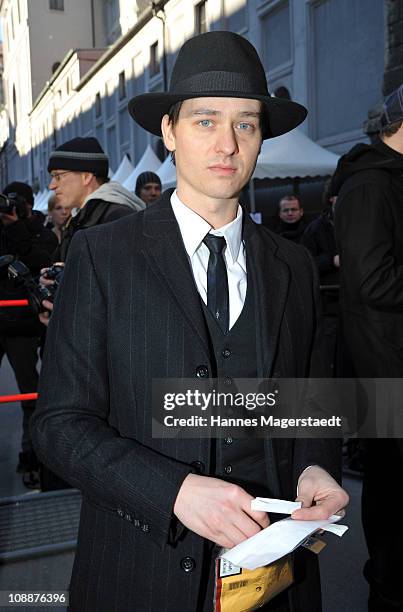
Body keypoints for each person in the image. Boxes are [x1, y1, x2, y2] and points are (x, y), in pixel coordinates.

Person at [32, 31, 348, 612]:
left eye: (246, 124)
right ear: (170, 132)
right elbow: (59, 425)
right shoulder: (103, 256)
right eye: (205, 121)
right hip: (141, 572)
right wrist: (173, 492)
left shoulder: (294, 266)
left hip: (274, 578)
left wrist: (316, 466)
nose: (227, 144)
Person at [333, 84, 403, 611]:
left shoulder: (386, 180)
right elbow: (372, 280)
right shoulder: (370, 185)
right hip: (385, 366)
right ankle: (386, 585)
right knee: (390, 484)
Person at [39, 137, 146, 325]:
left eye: (58, 176)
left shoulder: (118, 217)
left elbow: (129, 294)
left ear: (86, 177)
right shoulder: (80, 218)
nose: (52, 186)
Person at [0, 181, 57, 487]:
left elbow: (41, 261)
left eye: (17, 203)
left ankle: (31, 455)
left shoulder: (38, 230)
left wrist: (16, 229)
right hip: (5, 319)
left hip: (22, 325)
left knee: (29, 395)